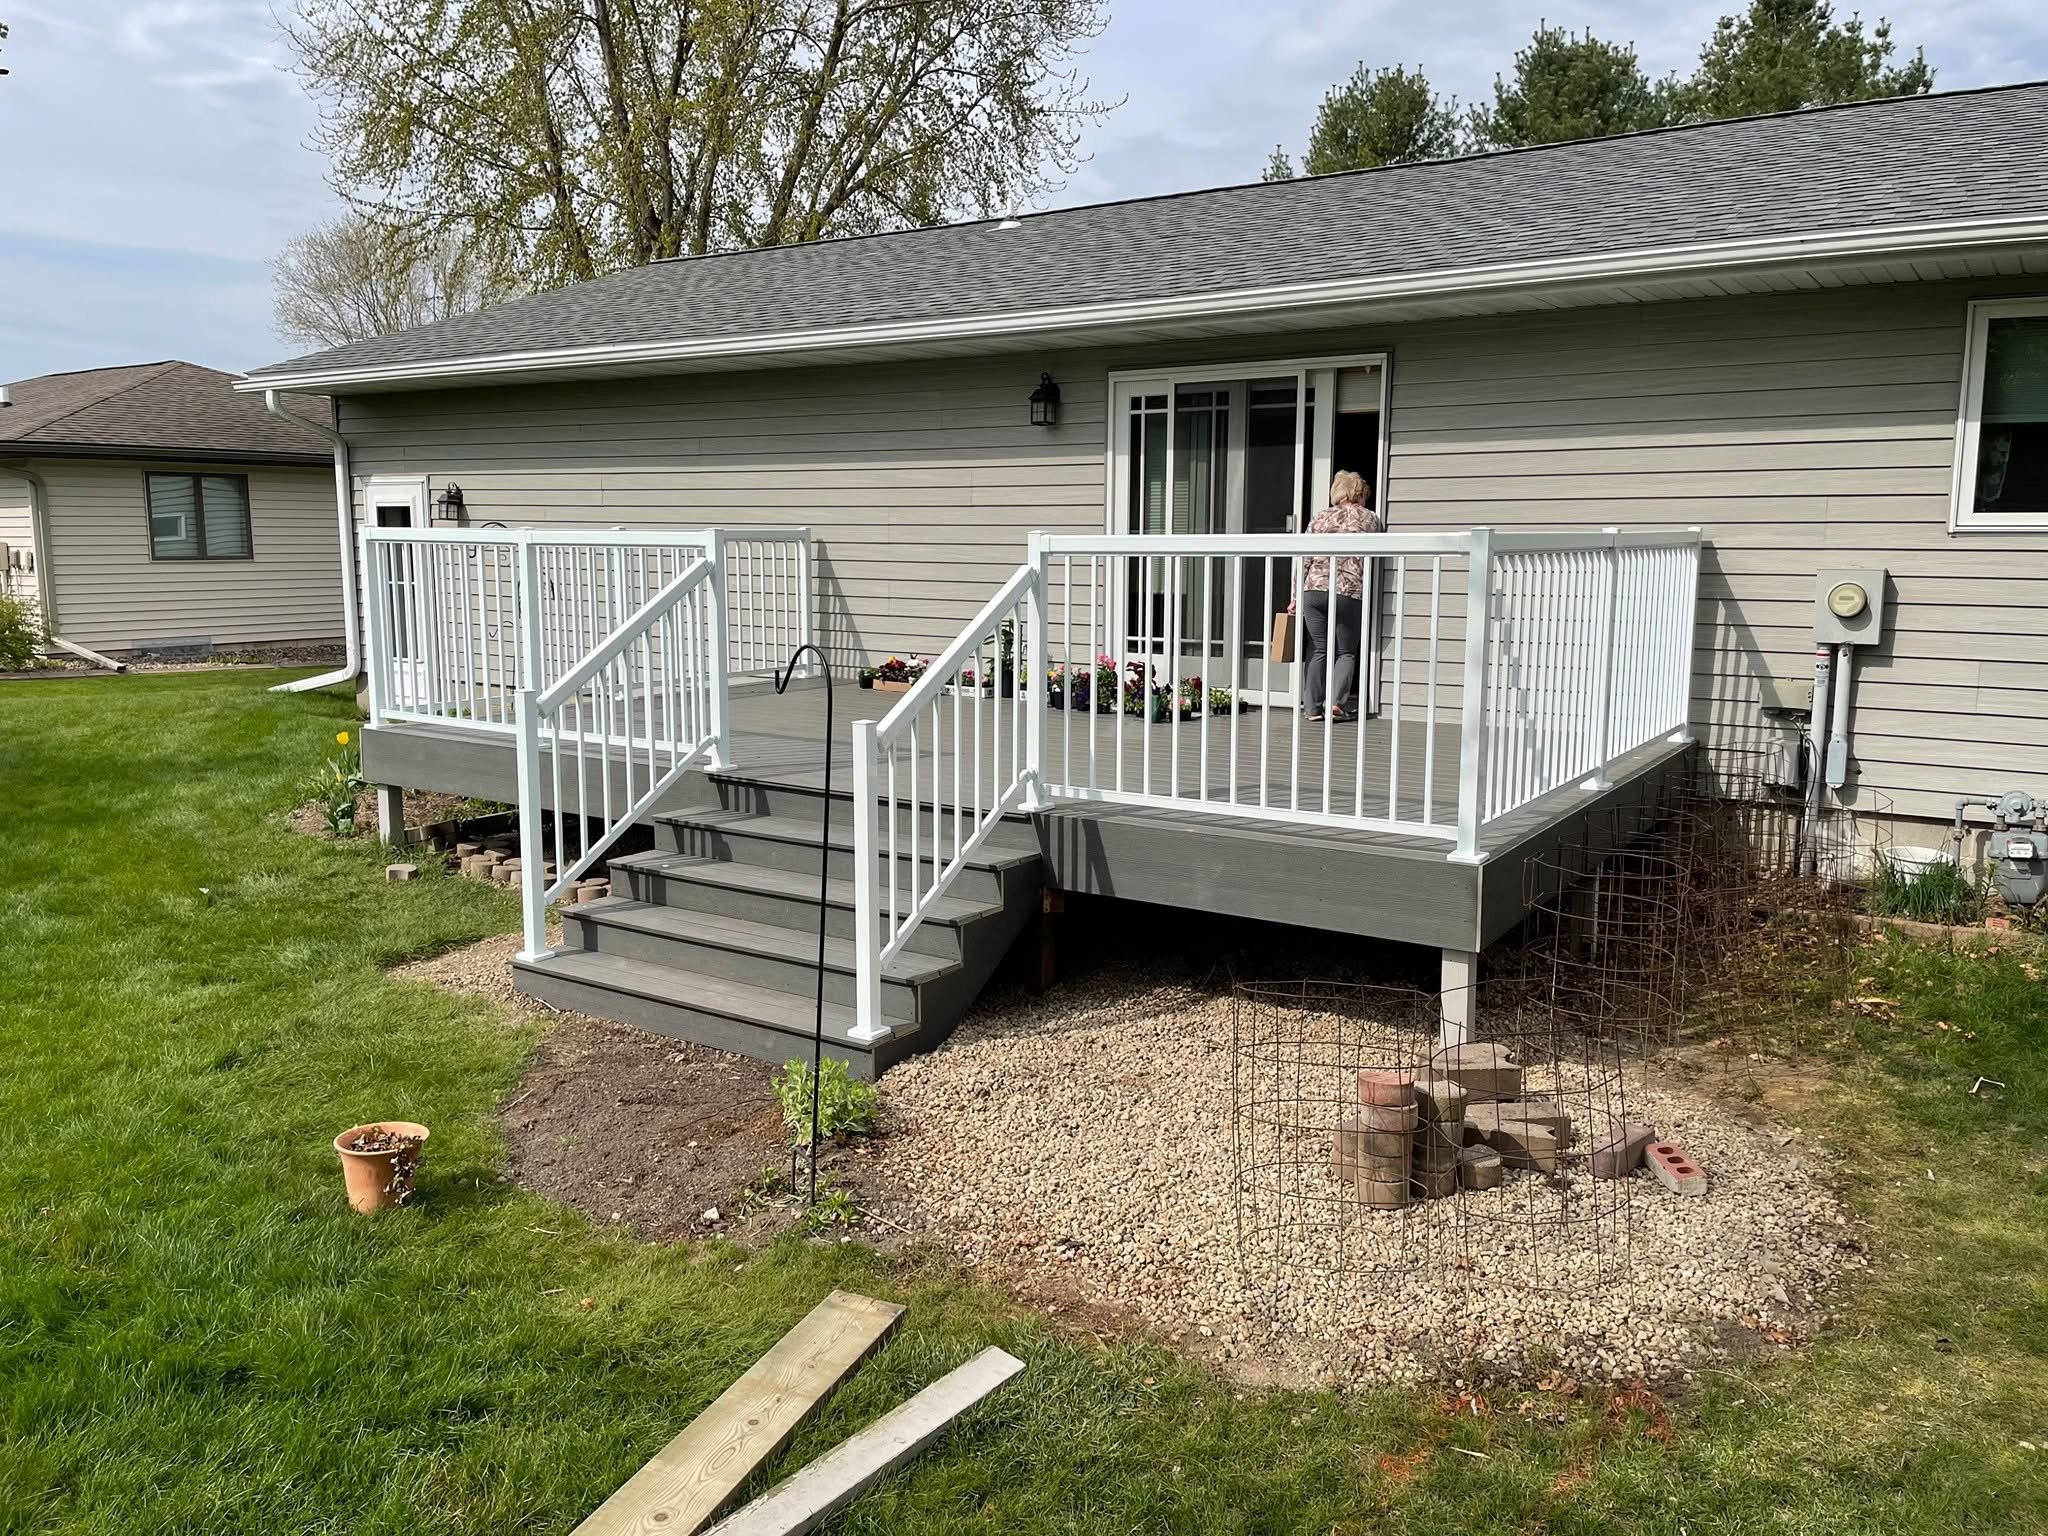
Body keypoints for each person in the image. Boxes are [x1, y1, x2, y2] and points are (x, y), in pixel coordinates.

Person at [1296, 470, 1379, 722]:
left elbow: (1304, 558)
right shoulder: (1370, 519)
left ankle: (1311, 708)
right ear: (1358, 494)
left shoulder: (1320, 517)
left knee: (1318, 649)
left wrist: (1295, 595)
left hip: (1314, 589)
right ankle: (1336, 705)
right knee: (1346, 652)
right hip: (1348, 590)